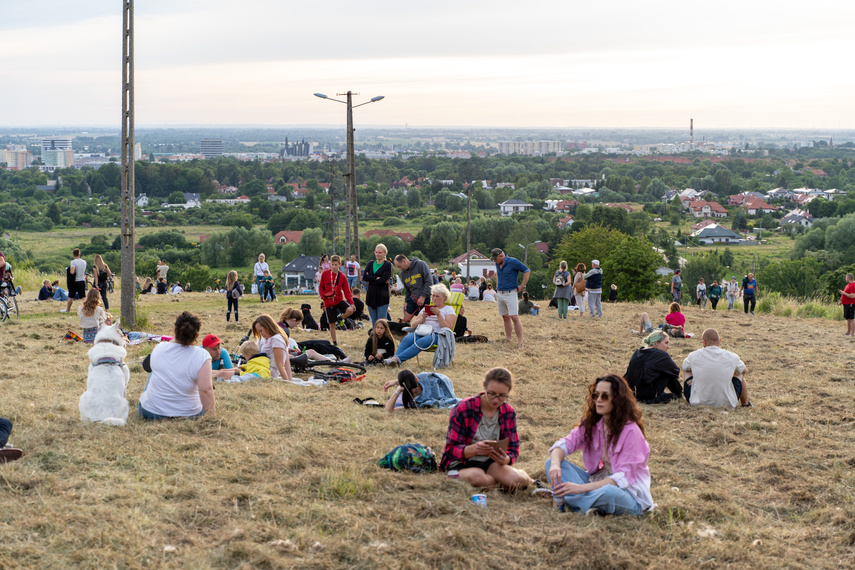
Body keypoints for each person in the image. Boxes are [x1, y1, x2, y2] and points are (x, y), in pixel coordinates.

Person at [546, 374, 653, 516]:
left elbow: (622, 478)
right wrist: (554, 465)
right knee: (552, 463)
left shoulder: (631, 432)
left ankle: (572, 502)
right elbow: (565, 443)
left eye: (605, 396)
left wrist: (580, 488)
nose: (598, 400)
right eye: (596, 395)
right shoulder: (593, 423)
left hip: (626, 493)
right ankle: (589, 506)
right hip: (596, 482)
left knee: (608, 493)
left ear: (618, 399)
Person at [439, 367, 532, 491]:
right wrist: (474, 450)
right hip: (461, 463)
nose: (496, 400)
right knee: (480, 479)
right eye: (492, 394)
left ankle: (506, 479)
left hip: (490, 463)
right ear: (484, 386)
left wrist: (506, 459)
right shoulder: (464, 408)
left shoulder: (508, 412)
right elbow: (451, 449)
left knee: (518, 481)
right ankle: (491, 482)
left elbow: (513, 449)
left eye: (502, 396)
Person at [139, 311, 215, 420]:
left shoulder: (159, 348)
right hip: (189, 415)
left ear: (174, 331)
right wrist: (212, 418)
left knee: (153, 373)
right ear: (197, 335)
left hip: (152, 413)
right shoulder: (202, 355)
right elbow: (206, 390)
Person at [384, 284, 456, 366]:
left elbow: (448, 328)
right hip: (422, 332)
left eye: (437, 296)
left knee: (421, 342)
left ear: (444, 298)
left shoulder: (449, 310)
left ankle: (396, 359)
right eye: (433, 296)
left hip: (438, 335)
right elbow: (413, 325)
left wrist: (439, 314)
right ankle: (395, 362)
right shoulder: (426, 308)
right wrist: (423, 318)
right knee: (406, 339)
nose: (434, 298)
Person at [682, 328, 751, 408]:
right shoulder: (732, 356)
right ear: (720, 340)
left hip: (697, 402)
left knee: (687, 370)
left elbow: (684, 367)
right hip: (727, 404)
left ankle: (695, 391)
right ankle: (745, 403)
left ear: (704, 342)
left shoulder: (693, 355)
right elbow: (744, 370)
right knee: (740, 373)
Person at [624, 331, 682, 404]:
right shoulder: (662, 355)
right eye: (666, 343)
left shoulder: (637, 352)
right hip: (648, 395)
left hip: (632, 393)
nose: (668, 347)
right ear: (657, 343)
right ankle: (679, 395)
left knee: (665, 369)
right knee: (668, 371)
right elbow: (676, 371)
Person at [491, 248, 530, 349]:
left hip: (511, 293)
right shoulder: (497, 263)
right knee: (505, 316)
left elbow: (526, 270)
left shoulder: (513, 262)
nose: (494, 261)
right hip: (500, 293)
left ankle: (520, 341)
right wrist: (497, 286)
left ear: (501, 256)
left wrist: (523, 286)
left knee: (514, 317)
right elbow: (498, 275)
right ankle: (508, 339)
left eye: (495, 259)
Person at [382, 369, 460, 412]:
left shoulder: (424, 378)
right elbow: (388, 410)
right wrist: (397, 391)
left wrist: (396, 382)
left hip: (444, 382)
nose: (416, 390)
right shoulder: (409, 400)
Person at [319, 255, 355, 346]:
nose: (334, 267)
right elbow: (321, 287)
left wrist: (351, 303)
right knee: (332, 324)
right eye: (333, 264)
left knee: (350, 310)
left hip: (338, 300)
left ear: (340, 265)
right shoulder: (325, 273)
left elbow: (347, 291)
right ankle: (335, 342)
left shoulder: (342, 276)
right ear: (330, 264)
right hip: (328, 302)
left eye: (336, 265)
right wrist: (323, 297)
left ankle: (340, 318)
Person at [393, 254, 433, 324]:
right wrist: (406, 302)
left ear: (404, 261)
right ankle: (407, 334)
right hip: (413, 299)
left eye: (399, 266)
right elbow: (408, 289)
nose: (399, 269)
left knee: (426, 322)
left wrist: (423, 296)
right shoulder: (403, 273)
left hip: (426, 298)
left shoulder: (421, 264)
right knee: (404, 322)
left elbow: (429, 282)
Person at [362, 243, 393, 328]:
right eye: (376, 252)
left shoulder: (387, 265)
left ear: (385, 253)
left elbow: (384, 280)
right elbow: (365, 277)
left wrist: (371, 278)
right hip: (371, 296)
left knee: (381, 322)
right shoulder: (370, 263)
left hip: (382, 297)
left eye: (380, 252)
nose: (378, 254)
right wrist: (376, 278)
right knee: (374, 323)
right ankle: (374, 340)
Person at [252, 314, 293, 381]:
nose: (260, 334)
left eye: (261, 331)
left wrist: (287, 381)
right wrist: (290, 380)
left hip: (267, 374)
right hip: (264, 372)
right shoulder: (273, 339)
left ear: (267, 327)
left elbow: (280, 365)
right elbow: (286, 361)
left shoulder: (276, 339)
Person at [64, 248, 87, 313]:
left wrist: (68, 269)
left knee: (71, 297)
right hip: (82, 280)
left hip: (75, 281)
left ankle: (68, 310)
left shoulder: (73, 262)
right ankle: (88, 308)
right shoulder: (84, 262)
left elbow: (72, 272)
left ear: (73, 255)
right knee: (83, 297)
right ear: (79, 254)